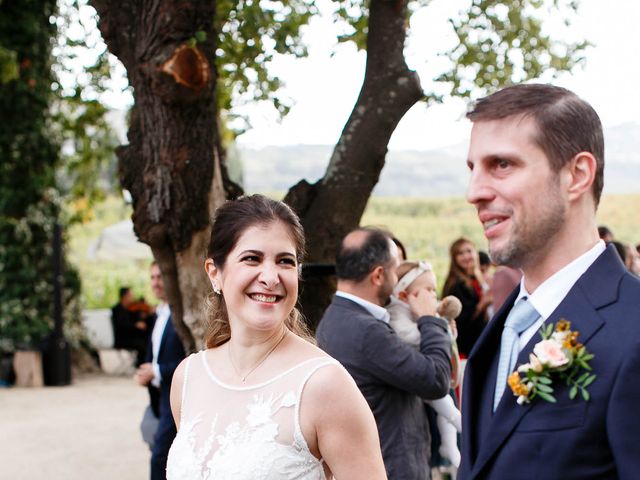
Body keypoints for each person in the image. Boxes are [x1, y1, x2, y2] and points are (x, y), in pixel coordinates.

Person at [460, 83, 640, 479]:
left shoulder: (634, 329)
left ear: (576, 175)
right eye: (473, 169)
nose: (474, 192)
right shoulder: (501, 331)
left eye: (502, 165)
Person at [166, 195, 386, 480]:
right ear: (214, 273)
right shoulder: (189, 377)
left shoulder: (324, 385)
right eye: (252, 259)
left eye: (285, 261)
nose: (270, 277)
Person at [316, 227, 452, 480]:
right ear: (379, 275)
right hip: (394, 468)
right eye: (395, 269)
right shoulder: (366, 330)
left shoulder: (335, 317)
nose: (397, 278)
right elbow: (436, 380)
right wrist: (430, 320)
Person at [386, 260, 461, 470]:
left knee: (443, 409)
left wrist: (445, 328)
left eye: (434, 291)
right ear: (403, 295)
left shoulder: (420, 311)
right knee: (444, 403)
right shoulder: (396, 312)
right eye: (426, 290)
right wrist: (432, 323)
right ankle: (459, 422)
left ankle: (450, 445)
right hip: (418, 372)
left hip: (434, 369)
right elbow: (409, 334)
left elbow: (446, 337)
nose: (432, 296)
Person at [135, 262, 186, 480]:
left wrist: (156, 371)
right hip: (157, 397)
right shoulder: (158, 314)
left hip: (173, 395)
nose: (155, 282)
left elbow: (189, 358)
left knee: (159, 457)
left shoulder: (181, 317)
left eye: (160, 277)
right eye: (152, 278)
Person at [442, 237, 491, 357]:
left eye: (469, 251)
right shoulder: (457, 284)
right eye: (460, 253)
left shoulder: (474, 278)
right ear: (455, 259)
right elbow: (463, 319)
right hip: (467, 349)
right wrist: (483, 304)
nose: (466, 256)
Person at [111, 286, 148, 366]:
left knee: (146, 339)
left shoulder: (131, 309)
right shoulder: (116, 310)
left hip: (132, 337)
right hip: (122, 340)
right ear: (125, 296)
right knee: (142, 344)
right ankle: (140, 365)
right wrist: (135, 325)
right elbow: (121, 325)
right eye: (130, 295)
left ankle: (142, 363)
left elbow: (138, 318)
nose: (133, 297)